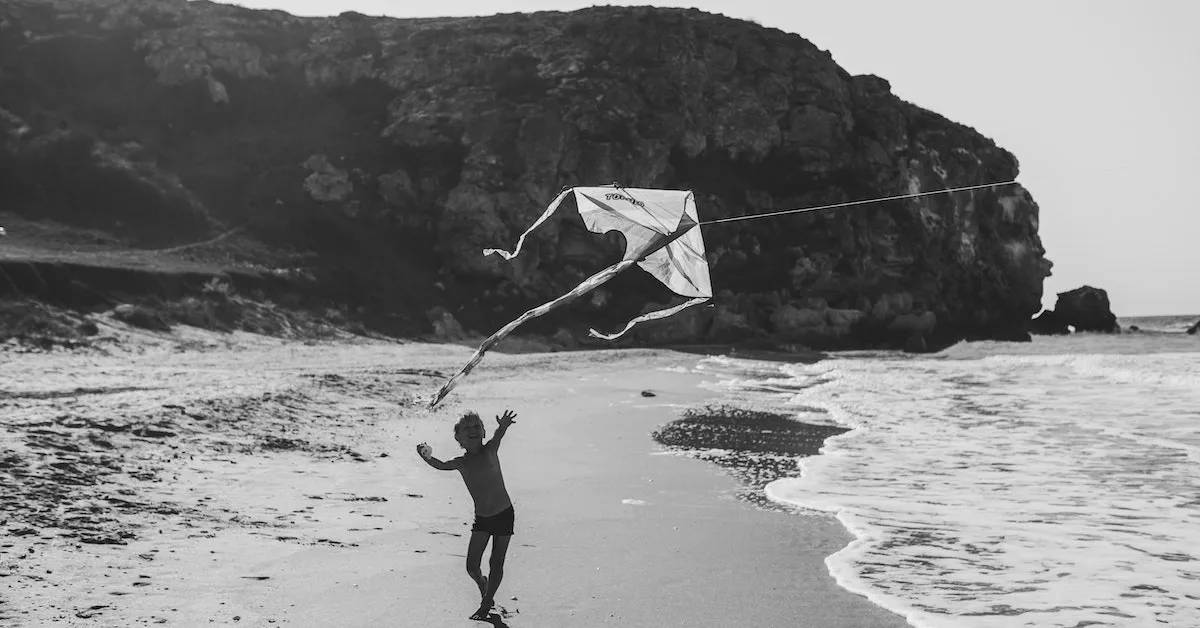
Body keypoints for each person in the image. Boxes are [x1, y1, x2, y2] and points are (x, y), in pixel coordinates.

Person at [417, 409, 517, 620]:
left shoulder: (490, 449)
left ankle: (486, 602)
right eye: (466, 427)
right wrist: (426, 456)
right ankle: (483, 584)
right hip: (482, 518)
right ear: (457, 437)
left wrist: (504, 425)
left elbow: (499, 434)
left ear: (483, 432)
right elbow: (441, 465)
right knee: (472, 566)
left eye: (476, 426)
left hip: (504, 514)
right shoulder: (460, 463)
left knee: (496, 562)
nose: (472, 430)